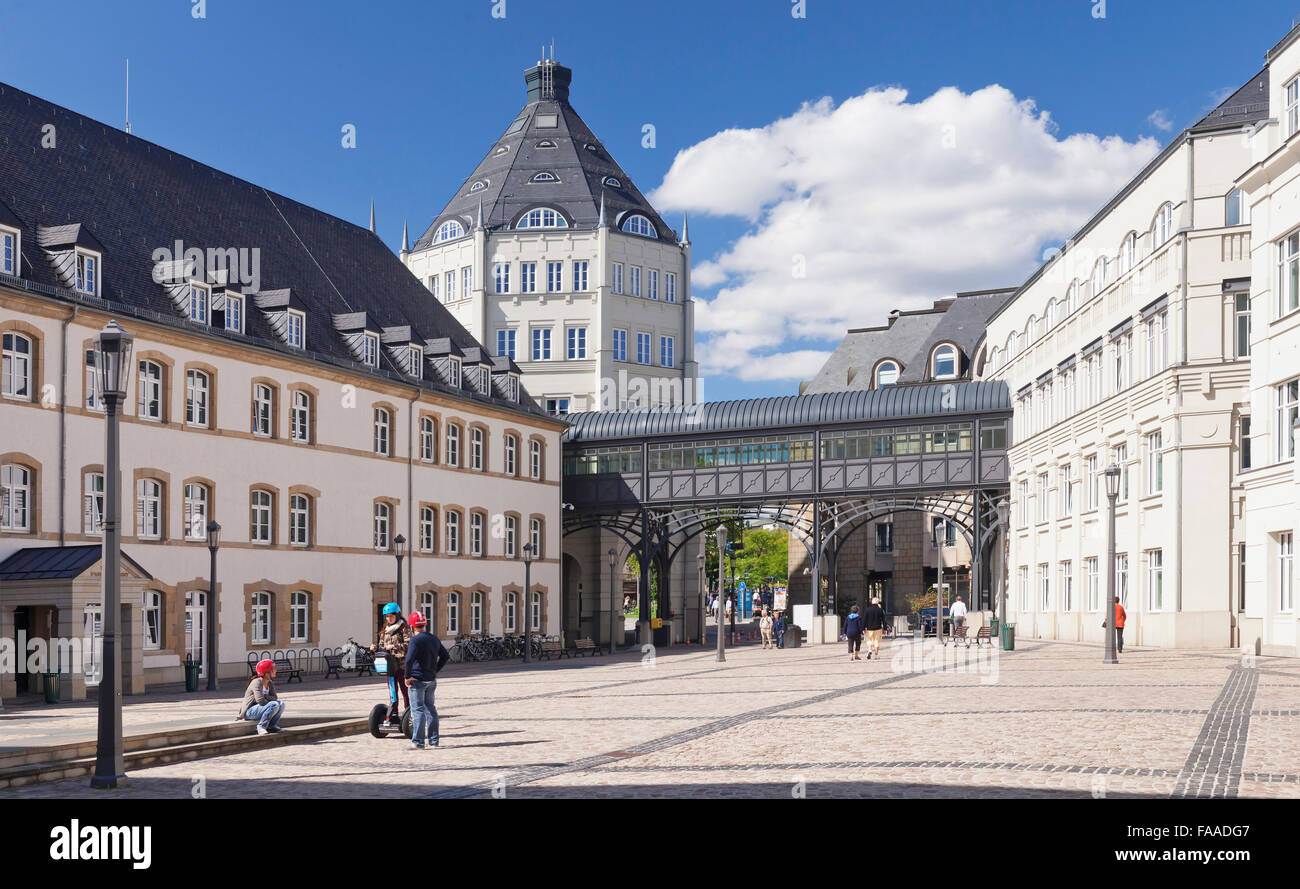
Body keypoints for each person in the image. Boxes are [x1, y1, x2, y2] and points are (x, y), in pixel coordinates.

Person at [404, 610, 450, 749]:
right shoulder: (434, 638)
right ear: (425, 624)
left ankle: (418, 742)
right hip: (431, 680)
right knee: (431, 710)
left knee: (417, 710)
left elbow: (409, 659)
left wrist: (407, 676)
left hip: (417, 680)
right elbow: (445, 656)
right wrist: (435, 670)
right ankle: (434, 741)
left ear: (411, 626)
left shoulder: (415, 640)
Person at [370, 602, 411, 723]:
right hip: (389, 665)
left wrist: (394, 646)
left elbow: (408, 644)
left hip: (402, 665)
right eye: (387, 616)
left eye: (391, 616)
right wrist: (376, 647)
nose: (389, 618)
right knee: (392, 691)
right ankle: (394, 713)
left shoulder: (404, 627)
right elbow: (383, 645)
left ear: (397, 615)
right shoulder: (385, 630)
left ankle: (408, 713)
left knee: (405, 691)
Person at [237, 659, 284, 734]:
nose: (275, 670)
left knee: (281, 704)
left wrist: (265, 696)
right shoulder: (257, 682)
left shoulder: (270, 683)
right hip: (249, 711)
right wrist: (268, 698)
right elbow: (260, 701)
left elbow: (275, 698)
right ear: (266, 672)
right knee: (274, 704)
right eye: (273, 669)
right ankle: (261, 726)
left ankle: (272, 726)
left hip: (260, 708)